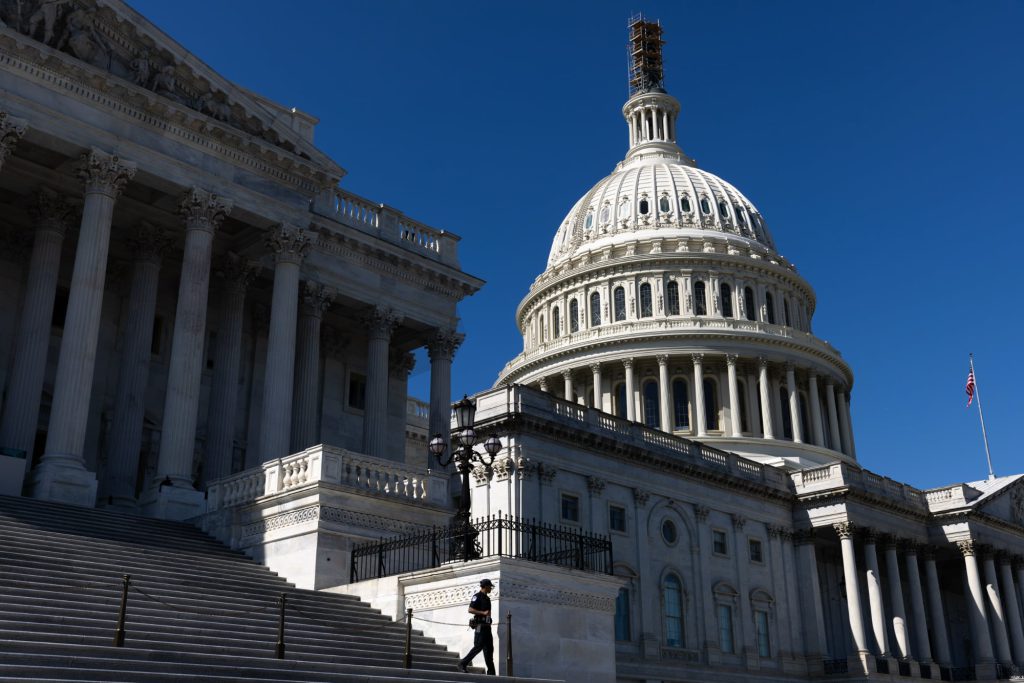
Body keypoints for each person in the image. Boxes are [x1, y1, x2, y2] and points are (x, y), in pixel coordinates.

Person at [457, 578, 494, 674]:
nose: (491, 588)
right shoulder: (477, 596)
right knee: (478, 646)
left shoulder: (487, 598)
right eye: (490, 586)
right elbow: (470, 609)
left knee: (489, 650)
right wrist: (483, 613)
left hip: (487, 627)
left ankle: (491, 673)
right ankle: (462, 663)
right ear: (485, 586)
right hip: (479, 626)